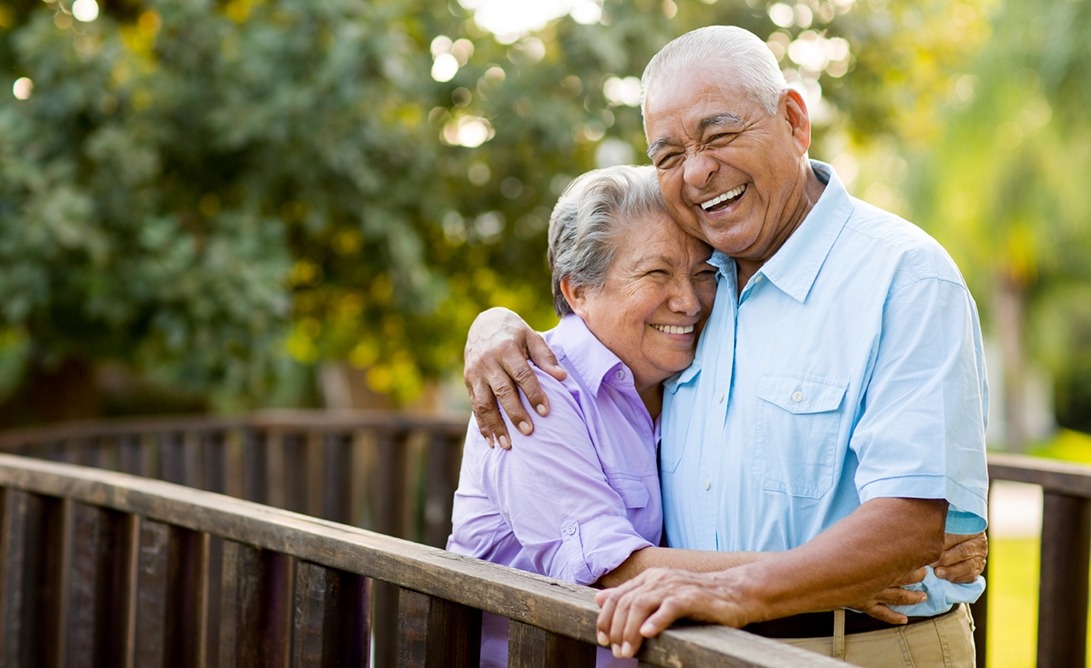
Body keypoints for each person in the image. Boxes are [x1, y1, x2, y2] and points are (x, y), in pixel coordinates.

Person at [461, 25, 989, 667]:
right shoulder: (706, 284)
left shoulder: (903, 276)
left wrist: (741, 588)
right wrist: (492, 325)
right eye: (669, 155)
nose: (699, 170)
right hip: (691, 649)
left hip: (858, 649)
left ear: (794, 121)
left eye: (719, 134)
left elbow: (911, 525)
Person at [447, 164, 937, 667]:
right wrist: (837, 576)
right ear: (577, 292)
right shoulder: (527, 388)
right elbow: (613, 569)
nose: (688, 301)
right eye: (656, 273)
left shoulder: (686, 377)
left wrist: (918, 536)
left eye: (703, 274)